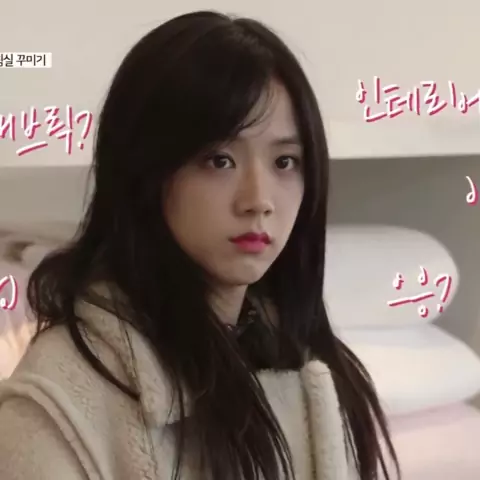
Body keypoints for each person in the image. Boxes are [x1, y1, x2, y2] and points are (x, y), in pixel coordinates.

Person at [0, 10, 400, 480]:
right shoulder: (57, 408)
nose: (259, 200)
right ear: (145, 172)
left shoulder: (316, 371)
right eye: (219, 160)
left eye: (285, 162)